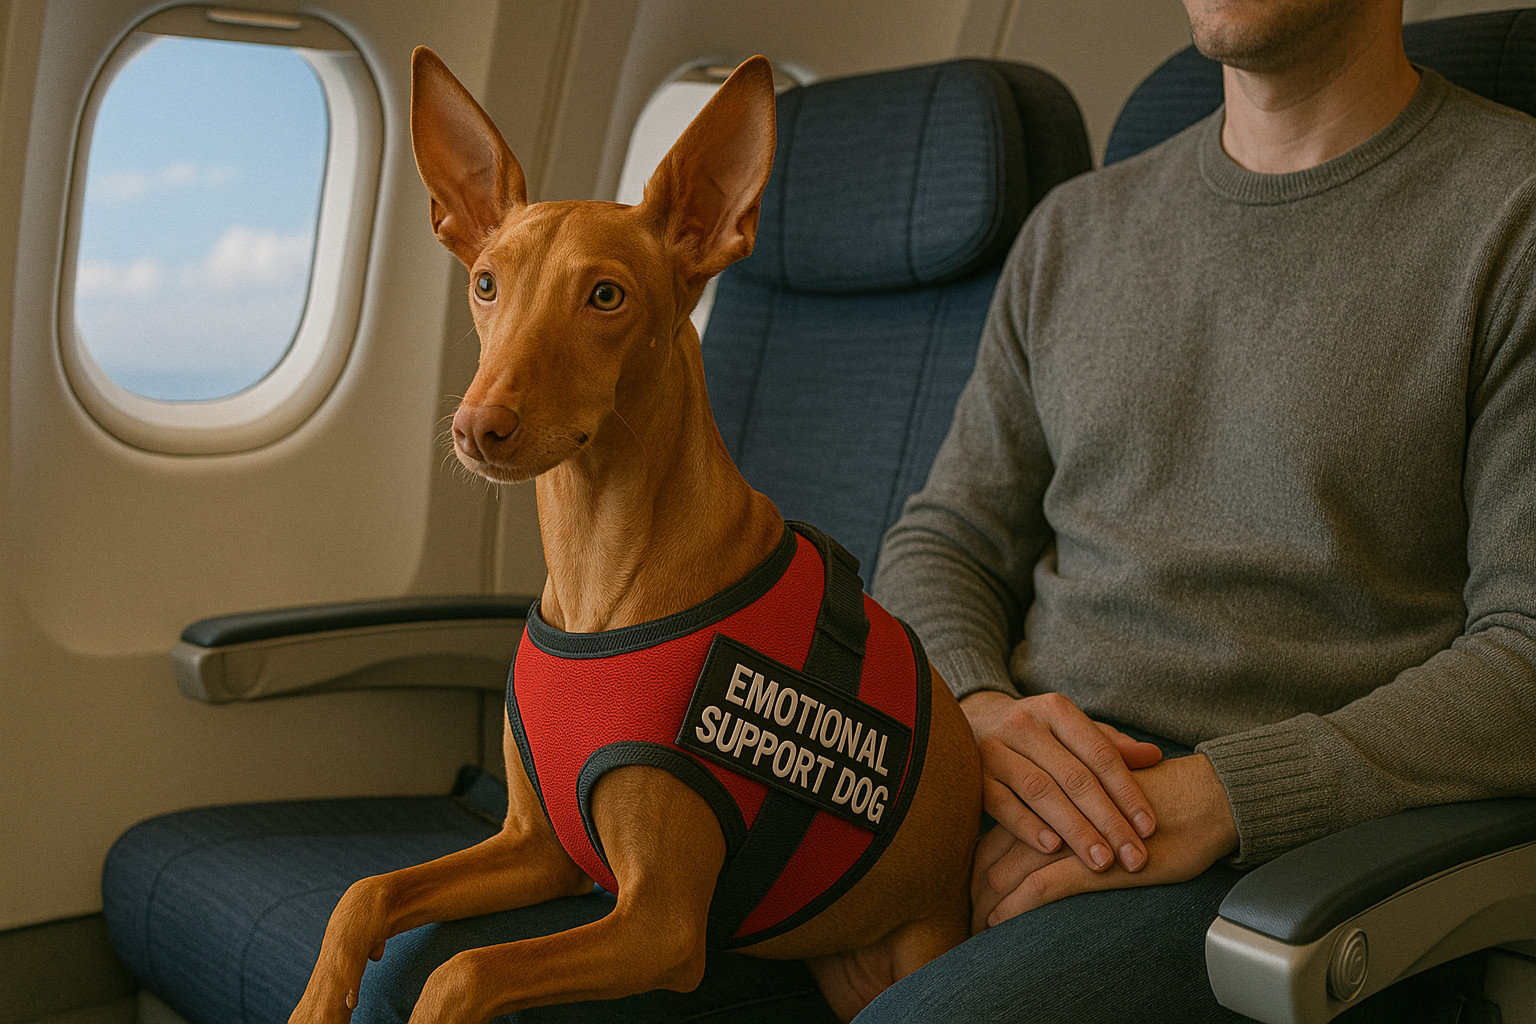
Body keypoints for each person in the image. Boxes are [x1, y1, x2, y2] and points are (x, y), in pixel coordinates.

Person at [859, 0, 1536, 1019]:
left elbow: (1526, 648)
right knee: (566, 962)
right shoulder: (1073, 230)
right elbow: (946, 536)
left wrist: (1225, 796)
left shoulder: (1512, 212)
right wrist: (976, 714)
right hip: (1004, 784)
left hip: (1286, 867)